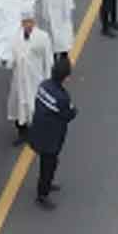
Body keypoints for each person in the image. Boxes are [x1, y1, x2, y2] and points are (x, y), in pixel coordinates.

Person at [28, 57, 78, 209]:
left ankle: (46, 184)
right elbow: (69, 115)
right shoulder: (62, 97)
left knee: (48, 163)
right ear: (66, 77)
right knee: (48, 165)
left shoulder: (43, 86)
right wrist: (74, 111)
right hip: (51, 139)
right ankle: (42, 194)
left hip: (38, 131)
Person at [6, 14, 55, 145]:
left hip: (35, 79)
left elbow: (48, 60)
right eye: (24, 22)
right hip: (19, 79)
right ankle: (22, 132)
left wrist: (48, 81)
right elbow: (11, 56)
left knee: (36, 107)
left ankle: (39, 132)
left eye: (29, 22)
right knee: (19, 107)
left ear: (33, 22)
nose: (26, 25)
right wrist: (6, 62)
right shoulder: (16, 37)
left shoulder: (43, 37)